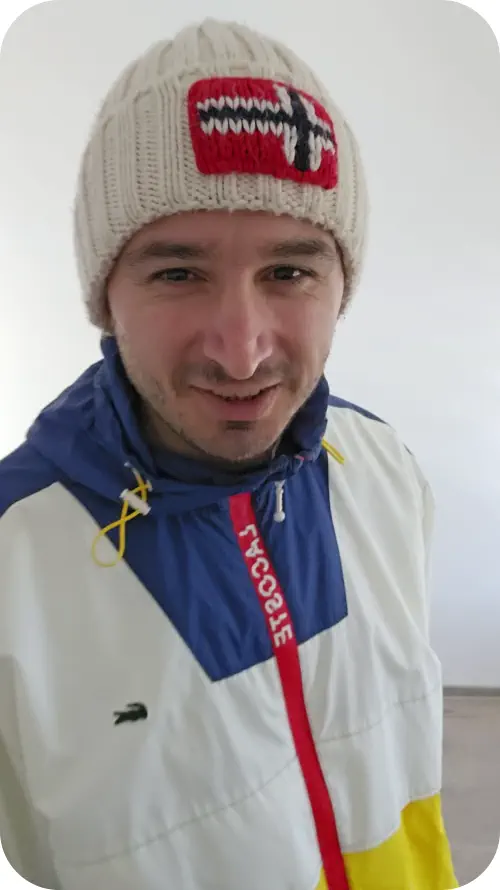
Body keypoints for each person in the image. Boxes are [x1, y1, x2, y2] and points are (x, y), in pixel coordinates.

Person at [0, 17, 458, 890]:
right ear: (105, 296)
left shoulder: (383, 469)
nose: (242, 352)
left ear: (340, 284)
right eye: (178, 274)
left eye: (290, 272)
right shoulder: (13, 556)